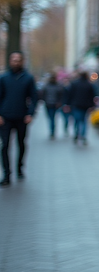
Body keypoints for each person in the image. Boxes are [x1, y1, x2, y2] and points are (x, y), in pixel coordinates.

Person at [0, 52, 37, 186]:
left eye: (18, 60)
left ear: (22, 61)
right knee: (5, 146)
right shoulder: (3, 78)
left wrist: (30, 114)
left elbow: (34, 97)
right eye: (13, 60)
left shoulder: (28, 78)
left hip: (22, 117)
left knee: (21, 144)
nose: (16, 62)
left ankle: (19, 168)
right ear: (10, 61)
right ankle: (6, 174)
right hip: (5, 118)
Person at [64, 71, 98, 145]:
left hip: (76, 105)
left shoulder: (74, 84)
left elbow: (69, 95)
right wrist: (92, 106)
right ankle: (83, 135)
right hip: (86, 106)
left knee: (77, 120)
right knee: (84, 121)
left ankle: (77, 134)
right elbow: (93, 96)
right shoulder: (89, 85)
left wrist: (67, 104)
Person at [40, 73, 63, 140]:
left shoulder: (47, 86)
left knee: (51, 118)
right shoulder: (58, 86)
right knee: (53, 118)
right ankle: (52, 130)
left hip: (49, 104)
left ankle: (52, 131)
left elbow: (43, 94)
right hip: (54, 104)